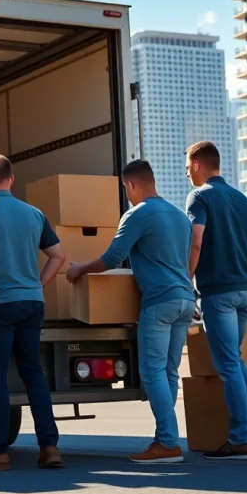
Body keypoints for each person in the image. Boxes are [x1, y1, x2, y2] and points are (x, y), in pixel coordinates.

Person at [65, 160, 195, 463]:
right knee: (168, 372)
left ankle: (167, 442)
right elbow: (185, 261)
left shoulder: (137, 215)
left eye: (126, 189)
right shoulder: (180, 216)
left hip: (160, 303)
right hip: (185, 300)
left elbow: (113, 257)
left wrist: (80, 269)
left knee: (152, 372)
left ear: (131, 185)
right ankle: (167, 438)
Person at [0, 154, 66, 471]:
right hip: (32, 304)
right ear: (12, 179)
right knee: (34, 374)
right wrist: (37, 284)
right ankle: (49, 446)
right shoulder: (34, 214)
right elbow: (58, 256)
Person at [185, 141, 247, 460]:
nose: (186, 172)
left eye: (188, 166)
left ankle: (241, 439)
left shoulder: (199, 197)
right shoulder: (246, 202)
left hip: (220, 293)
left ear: (198, 164)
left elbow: (196, 242)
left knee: (228, 363)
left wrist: (185, 284)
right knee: (235, 359)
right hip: (246, 293)